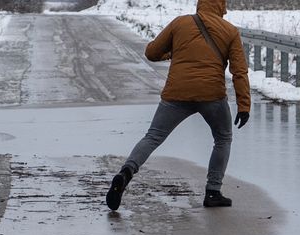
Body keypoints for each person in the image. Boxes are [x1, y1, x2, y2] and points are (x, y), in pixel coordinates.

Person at [106, 0, 251, 211]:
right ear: (221, 6)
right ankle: (213, 192)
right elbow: (239, 72)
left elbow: (151, 52)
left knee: (153, 136)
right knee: (223, 138)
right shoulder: (230, 31)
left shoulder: (180, 23)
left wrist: (174, 53)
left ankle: (126, 172)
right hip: (211, 95)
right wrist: (244, 105)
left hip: (177, 94)